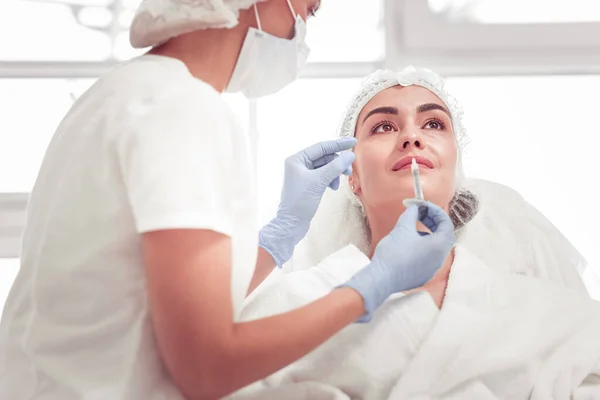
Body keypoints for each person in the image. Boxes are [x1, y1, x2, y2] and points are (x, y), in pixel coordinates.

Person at [0, 2, 457, 400]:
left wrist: (276, 240)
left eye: (434, 124)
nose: (302, 28)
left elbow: (154, 300)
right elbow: (205, 367)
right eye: (309, 8)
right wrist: (372, 285)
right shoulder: (183, 112)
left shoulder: (125, 93)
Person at [234, 67, 600, 399]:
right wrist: (275, 238)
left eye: (434, 124)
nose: (411, 136)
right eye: (383, 127)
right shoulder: (293, 303)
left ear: (457, 165)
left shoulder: (540, 312)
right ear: (353, 177)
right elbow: (194, 368)